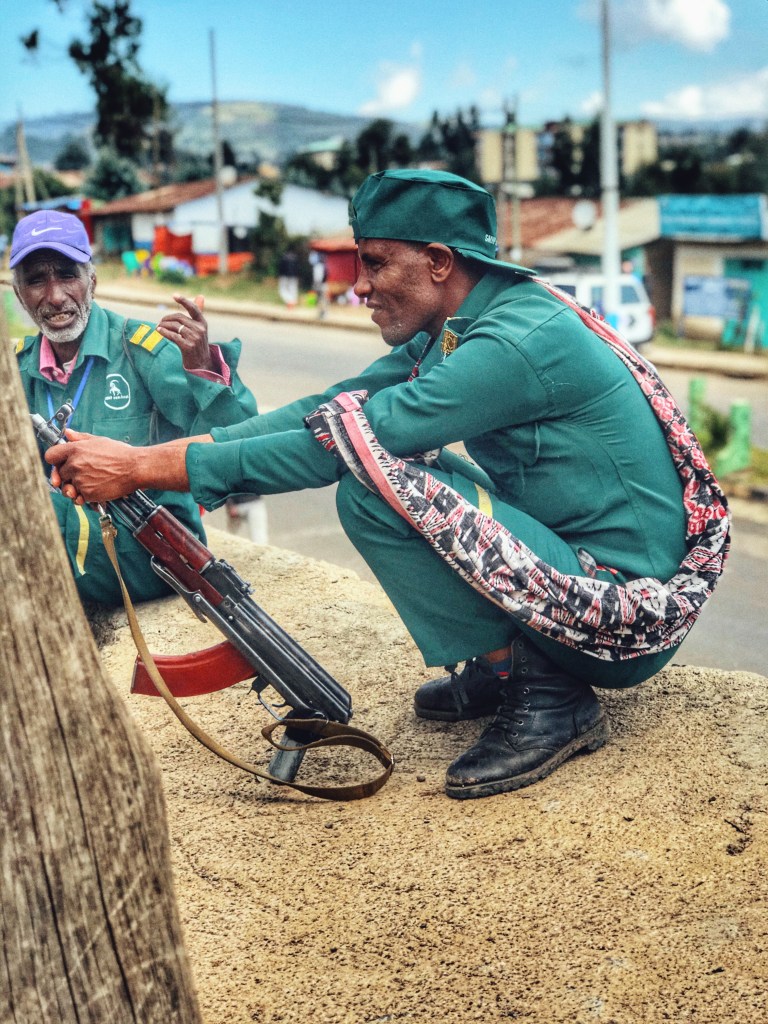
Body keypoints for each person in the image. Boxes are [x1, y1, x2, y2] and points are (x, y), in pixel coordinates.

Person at [45, 170, 729, 799]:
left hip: (621, 610)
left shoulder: (511, 344)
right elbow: (325, 409)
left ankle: (551, 694)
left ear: (439, 262)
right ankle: (505, 666)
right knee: (372, 457)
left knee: (372, 482)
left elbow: (336, 446)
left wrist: (139, 470)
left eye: (375, 263)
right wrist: (145, 456)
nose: (359, 287)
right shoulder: (464, 323)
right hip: (573, 563)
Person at [12, 208, 258, 606]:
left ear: (93, 280)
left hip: (143, 565)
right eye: (36, 280)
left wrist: (203, 367)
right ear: (18, 293)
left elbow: (241, 448)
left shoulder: (140, 350)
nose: (55, 296)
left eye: (68, 275)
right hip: (54, 569)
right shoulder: (14, 370)